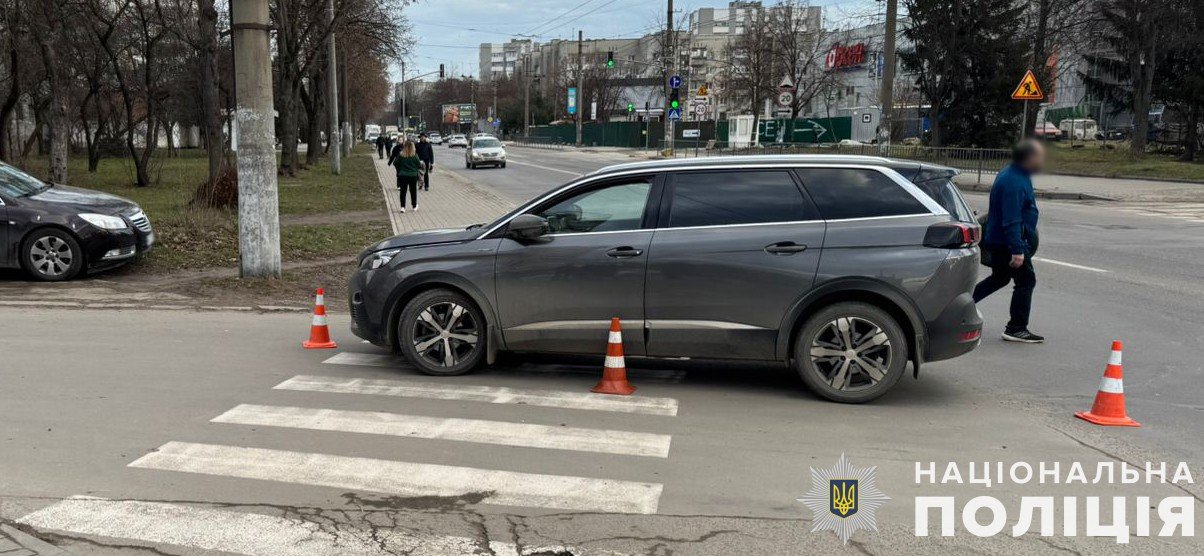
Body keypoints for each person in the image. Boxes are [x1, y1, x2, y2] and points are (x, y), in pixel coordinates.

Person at [973, 139, 1044, 343]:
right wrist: (1018, 250)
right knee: (1026, 281)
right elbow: (1012, 218)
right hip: (1010, 241)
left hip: (1001, 239)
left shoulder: (1013, 173)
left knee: (1000, 278)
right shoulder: (1014, 181)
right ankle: (1016, 327)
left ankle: (961, 306)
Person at [389, 139, 421, 213]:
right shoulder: (414, 156)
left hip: (402, 175)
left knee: (403, 191)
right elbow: (419, 165)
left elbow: (395, 163)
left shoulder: (401, 155)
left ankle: (403, 207)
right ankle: (414, 205)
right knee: (413, 191)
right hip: (413, 175)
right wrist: (415, 169)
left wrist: (400, 170)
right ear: (412, 147)